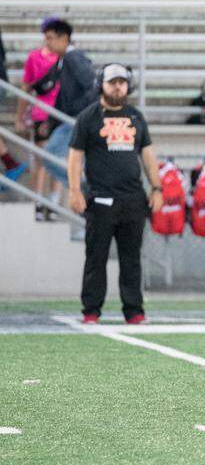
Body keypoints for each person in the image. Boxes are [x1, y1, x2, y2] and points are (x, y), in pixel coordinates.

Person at [67, 64, 162, 325]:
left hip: (133, 199)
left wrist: (157, 187)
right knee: (96, 257)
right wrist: (75, 190)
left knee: (131, 259)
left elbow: (148, 154)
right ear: (102, 84)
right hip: (99, 199)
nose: (117, 87)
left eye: (121, 82)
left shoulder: (136, 116)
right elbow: (75, 157)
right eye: (112, 82)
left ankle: (133, 310)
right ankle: (91, 310)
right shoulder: (88, 117)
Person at [40, 19, 96, 188]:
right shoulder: (64, 60)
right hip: (72, 119)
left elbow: (91, 85)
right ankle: (87, 190)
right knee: (80, 162)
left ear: (63, 38)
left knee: (50, 157)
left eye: (50, 38)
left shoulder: (74, 58)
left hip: (75, 120)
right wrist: (50, 122)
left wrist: (83, 117)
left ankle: (84, 187)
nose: (47, 43)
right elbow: (61, 96)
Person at [17, 20, 61, 221]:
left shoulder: (66, 59)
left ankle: (53, 203)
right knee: (42, 159)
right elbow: (26, 88)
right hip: (41, 114)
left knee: (58, 161)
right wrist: (19, 116)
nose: (50, 41)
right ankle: (38, 202)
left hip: (60, 114)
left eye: (54, 37)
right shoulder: (34, 57)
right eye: (48, 37)